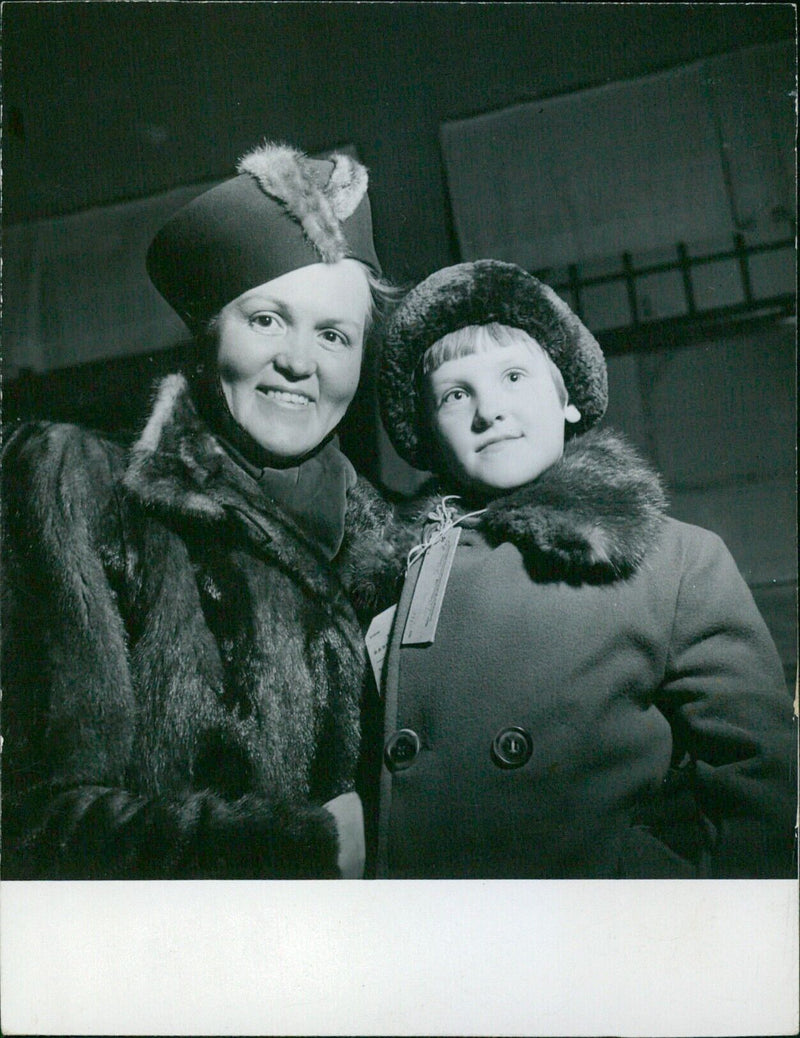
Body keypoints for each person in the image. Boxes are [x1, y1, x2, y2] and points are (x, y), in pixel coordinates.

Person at [1, 140, 397, 879]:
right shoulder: (86, 497)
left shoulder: (403, 555)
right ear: (211, 331)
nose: (300, 362)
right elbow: (35, 825)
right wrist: (303, 847)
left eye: (334, 335)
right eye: (268, 320)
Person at [352, 259, 796, 879]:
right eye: (456, 394)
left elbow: (759, 777)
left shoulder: (676, 560)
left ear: (567, 402)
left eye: (514, 376)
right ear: (428, 430)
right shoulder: (402, 571)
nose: (490, 411)